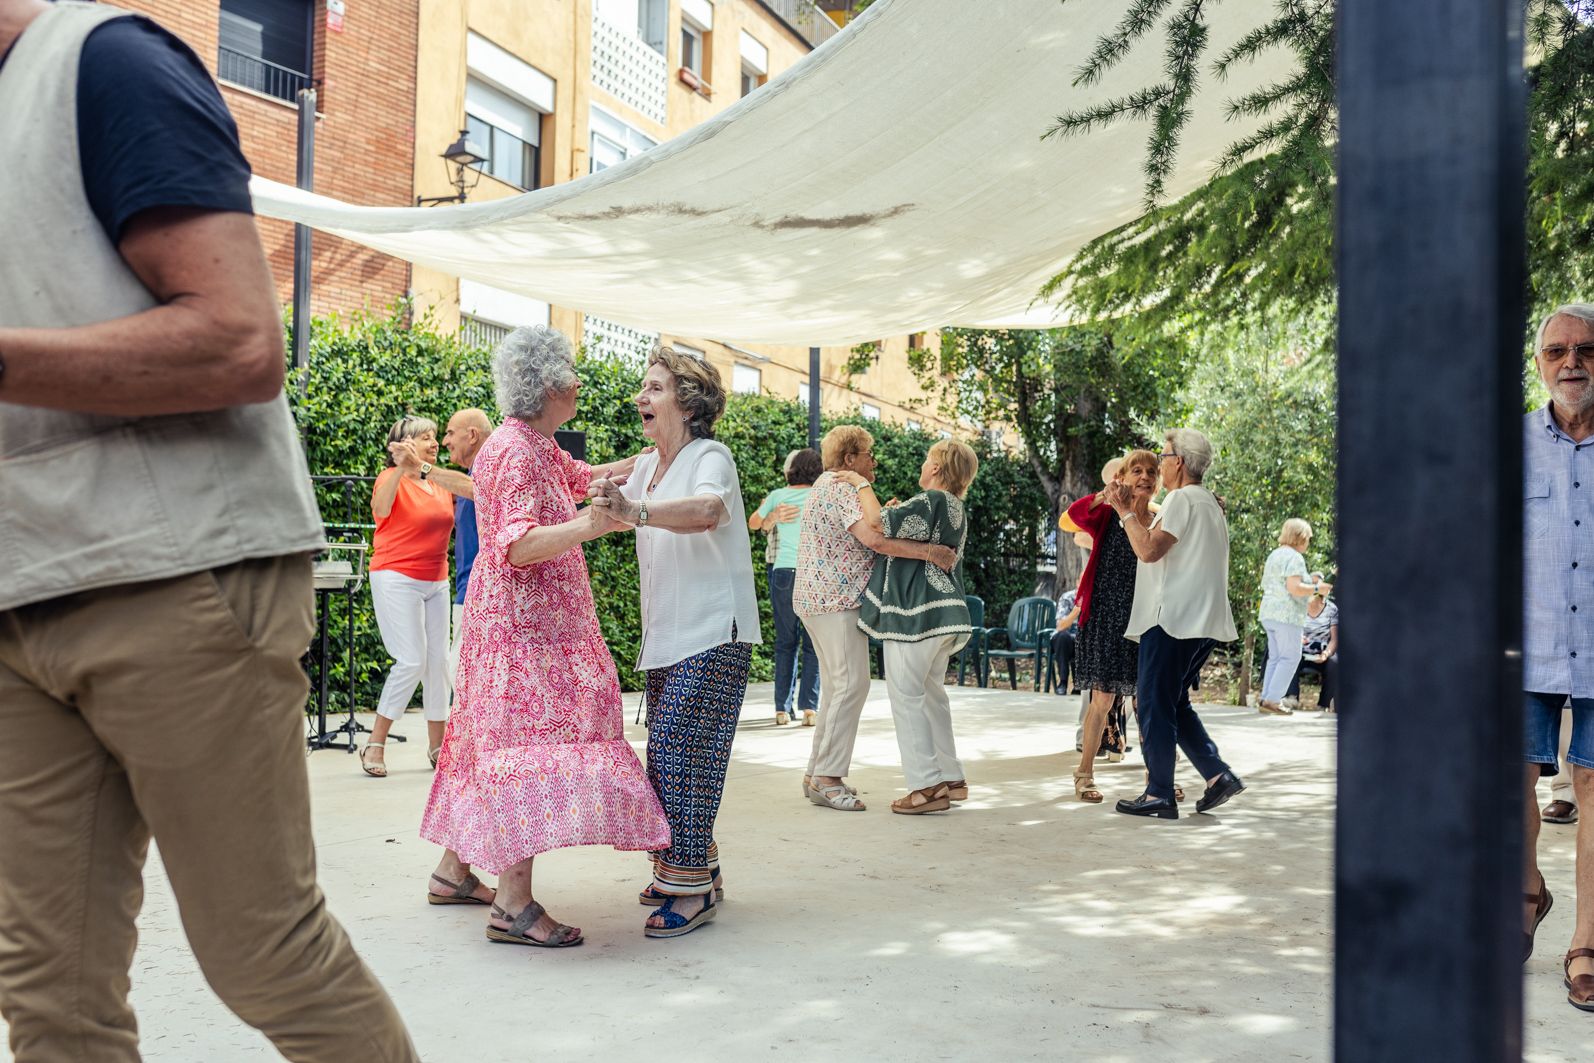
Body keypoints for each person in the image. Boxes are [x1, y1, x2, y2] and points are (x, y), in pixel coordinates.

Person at [0, 1, 416, 1056]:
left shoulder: (106, 64)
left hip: (178, 569)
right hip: (18, 595)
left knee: (262, 952)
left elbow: (237, 343)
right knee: (48, 992)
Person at [420, 326, 665, 946]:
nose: (579, 383)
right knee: (522, 749)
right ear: (551, 386)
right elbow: (518, 545)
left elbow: (586, 474)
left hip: (516, 625)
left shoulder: (530, 441)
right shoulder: (516, 450)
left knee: (488, 744)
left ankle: (453, 873)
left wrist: (658, 458)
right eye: (572, 375)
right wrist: (590, 525)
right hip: (524, 633)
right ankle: (513, 906)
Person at [589, 346, 762, 939]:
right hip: (668, 635)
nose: (642, 397)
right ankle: (695, 868)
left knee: (681, 755)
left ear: (687, 403)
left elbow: (709, 509)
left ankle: (690, 887)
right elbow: (581, 481)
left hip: (714, 629)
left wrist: (635, 511)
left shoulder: (709, 455)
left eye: (655, 388)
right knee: (670, 758)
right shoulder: (647, 466)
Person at [791, 426, 959, 811]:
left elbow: (870, 528)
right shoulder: (844, 487)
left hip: (819, 599)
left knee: (837, 686)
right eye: (869, 453)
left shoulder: (826, 485)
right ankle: (828, 778)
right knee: (852, 685)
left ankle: (817, 772)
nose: (874, 460)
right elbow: (877, 539)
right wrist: (932, 553)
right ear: (850, 458)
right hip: (836, 600)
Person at [1521, 304, 1594, 1012]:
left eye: (1586, 350)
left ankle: (1585, 942)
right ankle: (1525, 891)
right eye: (1557, 352)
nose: (1571, 362)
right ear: (1540, 363)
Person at [1111, 429, 1244, 820]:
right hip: (1201, 621)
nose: (1160, 462)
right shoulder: (1208, 504)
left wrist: (1123, 514)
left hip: (1173, 619)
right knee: (1174, 702)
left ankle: (1159, 794)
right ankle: (1217, 776)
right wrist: (1134, 507)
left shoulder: (1182, 498)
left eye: (1163, 455)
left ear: (1179, 462)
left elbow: (1149, 550)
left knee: (1152, 702)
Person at [858, 440, 981, 814]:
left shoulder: (932, 501)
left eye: (928, 460)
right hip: (946, 614)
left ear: (939, 468)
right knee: (931, 696)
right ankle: (950, 777)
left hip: (917, 614)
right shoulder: (955, 507)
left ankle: (926, 787)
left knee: (906, 696)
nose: (923, 465)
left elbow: (877, 522)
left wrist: (859, 484)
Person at [362, 415, 469, 775]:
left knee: (437, 663)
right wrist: (398, 468)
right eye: (425, 437)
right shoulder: (388, 480)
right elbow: (379, 510)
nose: (435, 443)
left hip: (435, 580)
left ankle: (438, 747)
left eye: (436, 436)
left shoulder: (437, 483)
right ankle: (375, 744)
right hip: (395, 577)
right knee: (410, 660)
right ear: (405, 444)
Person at [1064, 451, 1160, 803]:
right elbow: (1075, 515)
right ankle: (1084, 773)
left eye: (1152, 471)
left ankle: (1157, 776)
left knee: (1147, 702)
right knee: (1101, 698)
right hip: (1105, 614)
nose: (1145, 476)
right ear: (1123, 476)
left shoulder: (1159, 518)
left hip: (1146, 616)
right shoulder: (1107, 513)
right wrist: (1107, 494)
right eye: (1137, 470)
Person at [750, 448, 823, 725]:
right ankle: (809, 708)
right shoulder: (819, 495)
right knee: (813, 642)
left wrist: (773, 516)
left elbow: (753, 522)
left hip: (782, 572)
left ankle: (782, 709)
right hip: (811, 573)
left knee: (785, 642)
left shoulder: (778, 495)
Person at [1256, 519, 1331, 716]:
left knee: (1276, 657)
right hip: (1286, 616)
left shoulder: (1275, 554)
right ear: (1300, 538)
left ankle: (1266, 697)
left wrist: (1310, 580)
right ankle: (1272, 700)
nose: (1308, 542)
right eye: (1308, 538)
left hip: (1269, 613)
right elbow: (1294, 588)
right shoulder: (1295, 558)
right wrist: (1318, 588)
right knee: (1290, 658)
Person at [441, 408, 493, 688]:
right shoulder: (470, 477)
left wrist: (422, 468)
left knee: (460, 675)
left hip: (478, 592)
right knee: (461, 675)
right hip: (467, 590)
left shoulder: (485, 473)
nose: (445, 440)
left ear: (471, 435)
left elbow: (475, 489)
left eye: (450, 432)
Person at [1286, 591, 1338, 711]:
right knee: (1290, 656)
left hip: (1321, 653)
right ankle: (1292, 697)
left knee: (1335, 663)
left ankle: (1323, 704)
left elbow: (1334, 640)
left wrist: (1326, 654)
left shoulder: (1332, 609)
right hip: (1300, 651)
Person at [1051, 583, 1081, 696]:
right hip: (1065, 641)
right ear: (1078, 583)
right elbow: (1060, 626)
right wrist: (1076, 611)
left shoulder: (1095, 597)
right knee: (1062, 637)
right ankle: (1063, 682)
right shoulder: (1067, 598)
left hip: (1081, 640)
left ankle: (1079, 685)